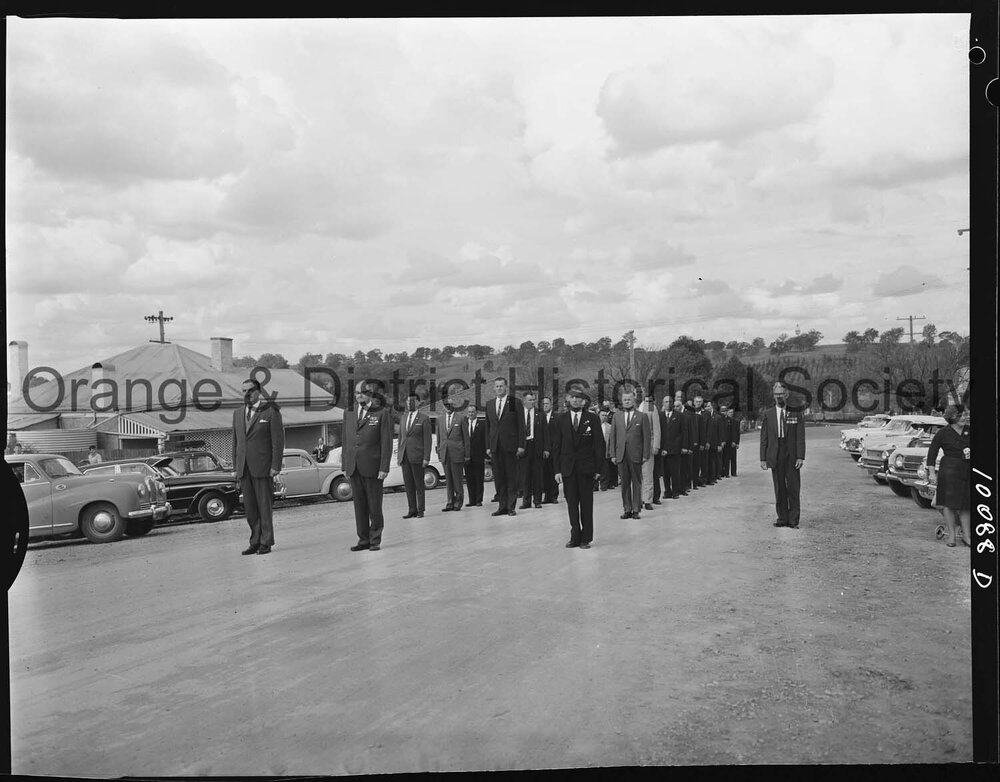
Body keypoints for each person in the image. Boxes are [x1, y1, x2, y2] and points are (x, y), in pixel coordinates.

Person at [232, 377, 285, 555]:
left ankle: (266, 542)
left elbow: (278, 442)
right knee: (250, 508)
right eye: (243, 391)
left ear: (258, 392)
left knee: (264, 506)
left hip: (263, 467)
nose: (246, 394)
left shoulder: (271, 412)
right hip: (244, 468)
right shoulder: (237, 413)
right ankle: (254, 541)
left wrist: (275, 466)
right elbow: (236, 442)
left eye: (249, 391)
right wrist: (236, 468)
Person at [552, 386, 605, 548]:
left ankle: (586, 538)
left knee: (586, 504)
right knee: (571, 503)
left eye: (578, 397)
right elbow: (557, 446)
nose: (574, 400)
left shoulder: (592, 418)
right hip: (568, 469)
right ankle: (575, 536)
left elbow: (599, 445)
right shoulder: (560, 419)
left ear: (583, 401)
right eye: (572, 397)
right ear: (568, 400)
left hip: (586, 469)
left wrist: (598, 469)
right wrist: (557, 470)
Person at [343, 384, 393, 551]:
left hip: (373, 467)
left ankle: (375, 540)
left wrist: (384, 467)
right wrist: (345, 464)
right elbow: (346, 441)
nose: (360, 396)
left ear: (370, 395)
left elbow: (386, 442)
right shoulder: (348, 413)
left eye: (363, 393)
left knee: (374, 505)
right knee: (359, 506)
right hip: (354, 467)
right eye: (357, 393)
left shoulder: (382, 413)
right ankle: (363, 540)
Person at [760, 382, 806, 528]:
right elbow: (764, 437)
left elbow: (800, 436)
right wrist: (763, 458)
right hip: (776, 453)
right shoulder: (768, 414)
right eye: (776, 394)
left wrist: (800, 456)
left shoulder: (796, 413)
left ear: (786, 394)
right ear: (773, 396)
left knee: (793, 487)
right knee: (779, 487)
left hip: (791, 453)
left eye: (781, 393)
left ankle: (793, 520)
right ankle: (782, 518)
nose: (779, 396)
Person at [926, 405, 971, 547]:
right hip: (949, 470)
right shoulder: (942, 433)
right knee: (948, 504)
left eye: (966, 414)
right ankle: (951, 536)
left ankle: (966, 535)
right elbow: (931, 454)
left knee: (966, 505)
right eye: (962, 414)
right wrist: (932, 473)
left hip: (968, 470)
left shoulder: (970, 431)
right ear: (952, 416)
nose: (965, 417)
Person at [485, 377, 526, 517]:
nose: (499, 388)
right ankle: (502, 506)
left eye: (501, 386)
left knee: (511, 477)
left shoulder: (515, 402)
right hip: (495, 447)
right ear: (494, 388)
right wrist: (488, 446)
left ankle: (511, 507)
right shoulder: (489, 404)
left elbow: (521, 425)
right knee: (499, 478)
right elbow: (488, 427)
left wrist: (521, 445)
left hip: (511, 446)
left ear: (506, 387)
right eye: (497, 386)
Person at [608, 387, 650, 519]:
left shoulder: (642, 417)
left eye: (629, 399)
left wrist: (645, 455)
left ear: (634, 400)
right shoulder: (616, 416)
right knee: (625, 483)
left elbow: (646, 438)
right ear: (622, 401)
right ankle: (627, 508)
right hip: (621, 455)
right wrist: (613, 454)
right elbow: (612, 437)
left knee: (636, 482)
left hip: (636, 454)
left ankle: (636, 509)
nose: (627, 402)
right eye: (624, 399)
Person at [398, 393, 432, 518]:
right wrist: (399, 456)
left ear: (418, 402)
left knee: (419, 485)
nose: (409, 403)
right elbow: (401, 437)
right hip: (405, 456)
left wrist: (426, 457)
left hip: (418, 456)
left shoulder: (424, 418)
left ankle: (420, 509)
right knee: (408, 485)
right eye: (407, 401)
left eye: (412, 401)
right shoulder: (403, 417)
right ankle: (411, 509)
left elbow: (427, 440)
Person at [437, 393, 470, 512]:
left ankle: (458, 502)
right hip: (445, 453)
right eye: (446, 405)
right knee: (448, 481)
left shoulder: (461, 418)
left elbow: (466, 438)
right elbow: (439, 438)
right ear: (444, 406)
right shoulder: (440, 420)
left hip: (457, 453)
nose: (448, 407)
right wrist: (439, 453)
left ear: (454, 406)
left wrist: (467, 454)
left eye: (450, 405)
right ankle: (450, 502)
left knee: (457, 480)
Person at [518, 391, 548, 509]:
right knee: (525, 476)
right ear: (524, 401)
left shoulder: (540, 414)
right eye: (530, 400)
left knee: (537, 476)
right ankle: (526, 501)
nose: (532, 402)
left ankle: (537, 500)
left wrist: (546, 449)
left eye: (534, 400)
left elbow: (546, 433)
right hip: (524, 448)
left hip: (537, 447)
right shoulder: (519, 415)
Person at [660, 396, 685, 499]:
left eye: (670, 401)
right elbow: (659, 434)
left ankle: (675, 492)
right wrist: (662, 449)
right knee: (665, 473)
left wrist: (682, 447)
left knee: (675, 472)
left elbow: (682, 433)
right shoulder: (660, 416)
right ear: (663, 403)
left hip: (675, 449)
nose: (668, 404)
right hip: (663, 450)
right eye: (666, 402)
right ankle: (667, 491)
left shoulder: (679, 415)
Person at [639, 395, 661, 510]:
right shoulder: (634, 408)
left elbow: (657, 428)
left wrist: (656, 445)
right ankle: (638, 499)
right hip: (636, 447)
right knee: (638, 476)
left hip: (649, 445)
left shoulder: (652, 408)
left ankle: (647, 500)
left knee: (647, 474)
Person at [465, 405, 487, 506]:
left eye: (473, 412)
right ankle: (471, 500)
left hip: (479, 455)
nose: (471, 414)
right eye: (469, 412)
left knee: (479, 478)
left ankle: (479, 500)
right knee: (469, 479)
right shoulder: (464, 424)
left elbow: (485, 439)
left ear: (476, 413)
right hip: (467, 456)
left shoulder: (482, 424)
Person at [540, 396, 559, 503]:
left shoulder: (557, 417)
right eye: (543, 404)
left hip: (554, 449)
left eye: (547, 404)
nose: (545, 406)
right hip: (542, 451)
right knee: (544, 474)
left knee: (554, 473)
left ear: (551, 405)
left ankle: (553, 496)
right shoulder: (538, 416)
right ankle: (546, 496)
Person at [598, 410, 614, 491]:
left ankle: (604, 485)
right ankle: (594, 485)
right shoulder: (595, 425)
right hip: (596, 451)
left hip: (606, 450)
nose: (604, 417)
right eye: (602, 415)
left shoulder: (610, 427)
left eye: (605, 415)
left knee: (605, 469)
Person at [726, 407, 741, 477]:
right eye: (729, 412)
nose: (731, 414)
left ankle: (733, 472)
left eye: (732, 412)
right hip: (726, 442)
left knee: (733, 459)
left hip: (733, 442)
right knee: (726, 458)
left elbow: (737, 433)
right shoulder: (724, 421)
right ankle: (726, 473)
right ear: (727, 412)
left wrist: (737, 442)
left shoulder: (736, 421)